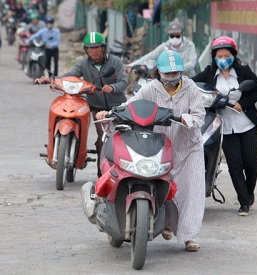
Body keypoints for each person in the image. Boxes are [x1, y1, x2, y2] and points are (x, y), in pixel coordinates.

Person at [96, 50, 205, 251]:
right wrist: (110, 113)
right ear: (158, 72)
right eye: (168, 74)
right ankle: (166, 224)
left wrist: (183, 119)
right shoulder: (151, 89)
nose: (172, 78)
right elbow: (130, 105)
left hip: (189, 147)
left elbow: (199, 116)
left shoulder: (190, 88)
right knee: (164, 185)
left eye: (175, 74)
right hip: (162, 145)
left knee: (190, 191)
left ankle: (190, 236)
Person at [35, 32, 128, 178]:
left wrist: (113, 87)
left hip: (118, 107)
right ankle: (102, 174)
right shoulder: (83, 64)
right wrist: (50, 80)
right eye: (90, 48)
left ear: (103, 48)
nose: (94, 51)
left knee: (122, 137)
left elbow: (124, 81)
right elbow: (70, 75)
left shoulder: (115, 62)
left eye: (97, 47)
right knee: (103, 138)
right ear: (86, 50)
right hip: (97, 107)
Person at [192, 36, 257, 216]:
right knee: (234, 164)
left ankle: (249, 193)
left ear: (234, 55)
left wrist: (244, 103)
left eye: (227, 55)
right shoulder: (209, 73)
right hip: (225, 125)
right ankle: (244, 201)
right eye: (219, 56)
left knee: (251, 163)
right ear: (214, 57)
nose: (223, 59)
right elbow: (191, 84)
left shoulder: (244, 72)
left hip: (246, 123)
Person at [125, 20, 197, 78]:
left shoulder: (190, 45)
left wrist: (174, 68)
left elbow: (192, 63)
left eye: (177, 36)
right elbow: (150, 56)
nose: (174, 38)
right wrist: (132, 65)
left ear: (182, 34)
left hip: (188, 79)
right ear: (168, 35)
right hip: (169, 81)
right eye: (172, 36)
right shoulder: (164, 47)